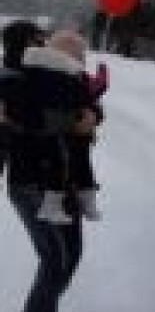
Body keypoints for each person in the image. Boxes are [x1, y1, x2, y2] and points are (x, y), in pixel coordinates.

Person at [1, 20, 99, 312]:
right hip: (31, 185)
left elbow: (87, 108)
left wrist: (89, 115)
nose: (40, 46)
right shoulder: (14, 82)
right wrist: (76, 121)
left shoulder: (59, 79)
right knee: (54, 258)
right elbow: (33, 121)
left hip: (64, 181)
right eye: (34, 40)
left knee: (71, 255)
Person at [21, 29, 106, 222]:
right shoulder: (52, 75)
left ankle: (85, 202)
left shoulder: (57, 73)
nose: (83, 59)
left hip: (65, 139)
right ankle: (59, 206)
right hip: (40, 162)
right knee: (61, 164)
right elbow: (79, 97)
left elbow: (90, 103)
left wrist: (93, 114)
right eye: (80, 55)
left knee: (75, 162)